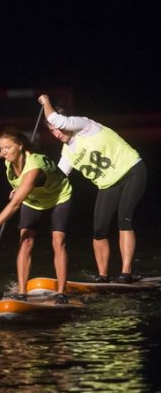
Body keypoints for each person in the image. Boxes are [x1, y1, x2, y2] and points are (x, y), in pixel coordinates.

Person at [39, 94, 146, 283]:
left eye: (57, 128)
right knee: (99, 230)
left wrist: (45, 100)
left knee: (124, 219)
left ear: (67, 123)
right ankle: (103, 275)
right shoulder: (67, 153)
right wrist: (27, 187)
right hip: (108, 184)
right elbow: (57, 178)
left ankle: (126, 273)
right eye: (52, 132)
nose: (56, 133)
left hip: (131, 170)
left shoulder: (85, 126)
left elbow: (55, 118)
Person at [0, 127, 73, 301]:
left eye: (8, 148)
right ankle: (22, 292)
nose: (4, 152)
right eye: (1, 147)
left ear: (20, 146)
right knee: (25, 241)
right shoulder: (8, 159)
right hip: (34, 199)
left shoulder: (34, 166)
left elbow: (15, 204)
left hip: (59, 196)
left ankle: (62, 292)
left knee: (58, 240)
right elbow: (6, 157)